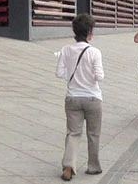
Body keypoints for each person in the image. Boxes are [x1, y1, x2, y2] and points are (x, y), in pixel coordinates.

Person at [56, 14, 104, 181]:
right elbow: (99, 76)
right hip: (92, 98)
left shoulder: (65, 50)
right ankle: (93, 166)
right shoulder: (94, 52)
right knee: (93, 134)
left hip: (72, 97)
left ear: (74, 31)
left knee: (73, 133)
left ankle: (68, 166)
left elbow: (59, 73)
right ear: (89, 32)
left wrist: (72, 76)